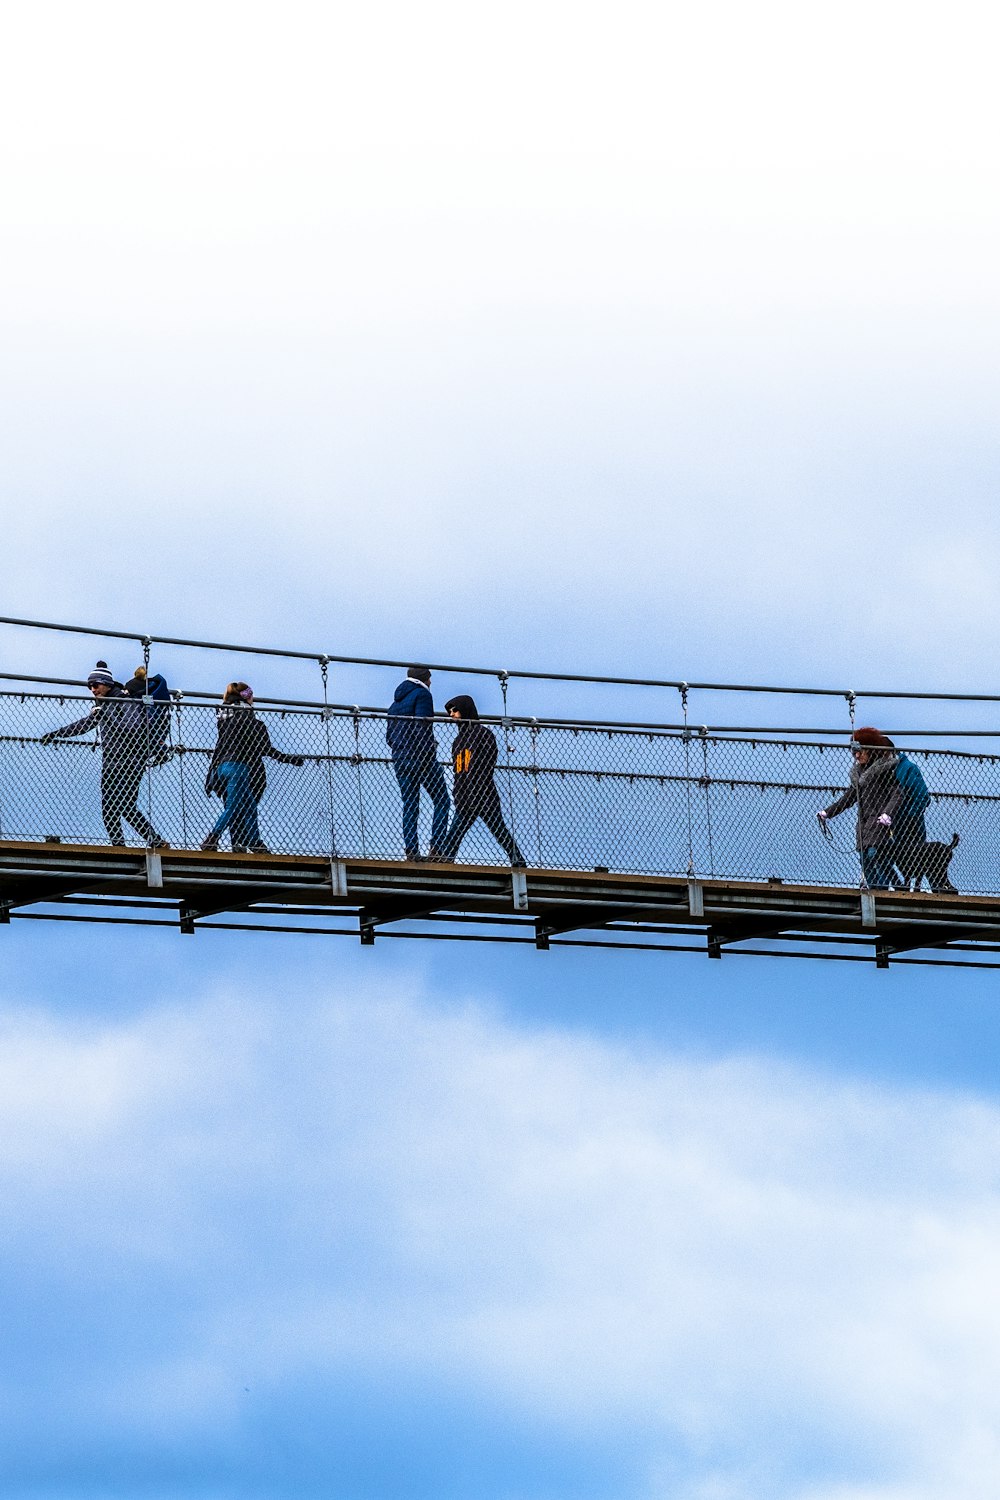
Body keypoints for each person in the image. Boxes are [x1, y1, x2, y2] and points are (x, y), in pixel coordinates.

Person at [40, 660, 167, 847]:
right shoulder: (103, 705)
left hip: (131, 762)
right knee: (109, 810)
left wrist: (105, 716)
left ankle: (154, 842)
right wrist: (56, 734)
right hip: (111, 763)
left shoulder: (123, 701)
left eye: (95, 685)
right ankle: (122, 846)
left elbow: (134, 729)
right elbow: (84, 725)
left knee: (125, 806)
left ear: (106, 684)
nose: (92, 689)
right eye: (89, 686)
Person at [201, 682, 305, 853]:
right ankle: (212, 838)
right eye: (252, 695)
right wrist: (290, 759)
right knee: (234, 808)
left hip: (219, 767)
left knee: (249, 806)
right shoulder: (252, 722)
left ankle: (256, 843)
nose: (254, 699)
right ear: (247, 697)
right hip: (238, 768)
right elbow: (266, 749)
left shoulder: (224, 717)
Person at [818, 727, 916, 890]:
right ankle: (885, 888)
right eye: (854, 752)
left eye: (860, 751)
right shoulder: (859, 776)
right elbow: (848, 798)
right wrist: (828, 812)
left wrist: (887, 814)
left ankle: (882, 891)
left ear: (871, 750)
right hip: (863, 827)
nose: (857, 755)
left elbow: (898, 794)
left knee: (876, 855)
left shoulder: (884, 772)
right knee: (865, 859)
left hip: (879, 823)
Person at [438, 695, 525, 866]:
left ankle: (518, 861)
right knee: (456, 831)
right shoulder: (458, 741)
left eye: (455, 710)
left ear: (465, 709)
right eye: (450, 712)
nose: (452, 714)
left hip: (484, 795)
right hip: (465, 795)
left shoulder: (484, 735)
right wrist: (459, 791)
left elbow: (488, 764)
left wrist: (476, 787)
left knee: (498, 830)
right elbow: (458, 771)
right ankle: (446, 860)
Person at [385, 665, 450, 861]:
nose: (431, 683)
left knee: (411, 804)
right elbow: (423, 726)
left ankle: (411, 850)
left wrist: (400, 748)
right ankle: (437, 847)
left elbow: (389, 736)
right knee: (442, 800)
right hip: (421, 758)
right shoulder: (423, 694)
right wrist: (429, 750)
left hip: (400, 758)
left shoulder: (395, 704)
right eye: (429, 678)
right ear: (423, 678)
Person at [123, 664, 173, 765]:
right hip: (155, 714)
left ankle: (156, 749)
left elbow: (127, 695)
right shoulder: (153, 686)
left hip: (138, 718)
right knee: (156, 731)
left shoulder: (130, 684)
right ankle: (160, 749)